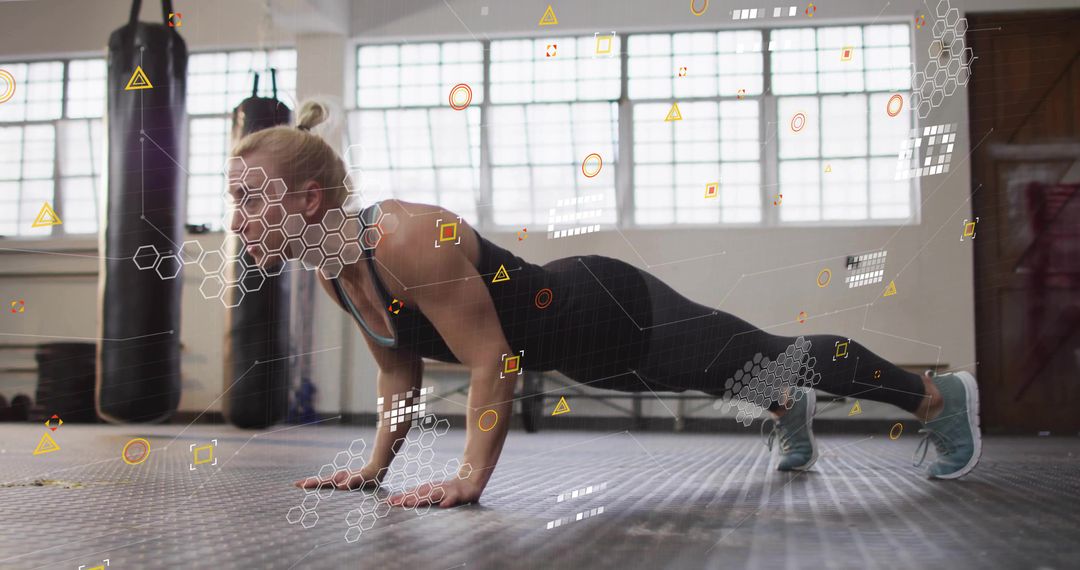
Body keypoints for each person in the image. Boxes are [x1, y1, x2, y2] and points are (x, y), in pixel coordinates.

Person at [227, 101, 981, 509]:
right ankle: (786, 408)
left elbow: (495, 359)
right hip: (578, 355)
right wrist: (374, 467)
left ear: (309, 197)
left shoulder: (404, 237)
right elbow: (399, 379)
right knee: (715, 374)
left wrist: (468, 478)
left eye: (244, 199)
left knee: (766, 355)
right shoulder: (335, 273)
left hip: (605, 308)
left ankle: (935, 398)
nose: (234, 219)